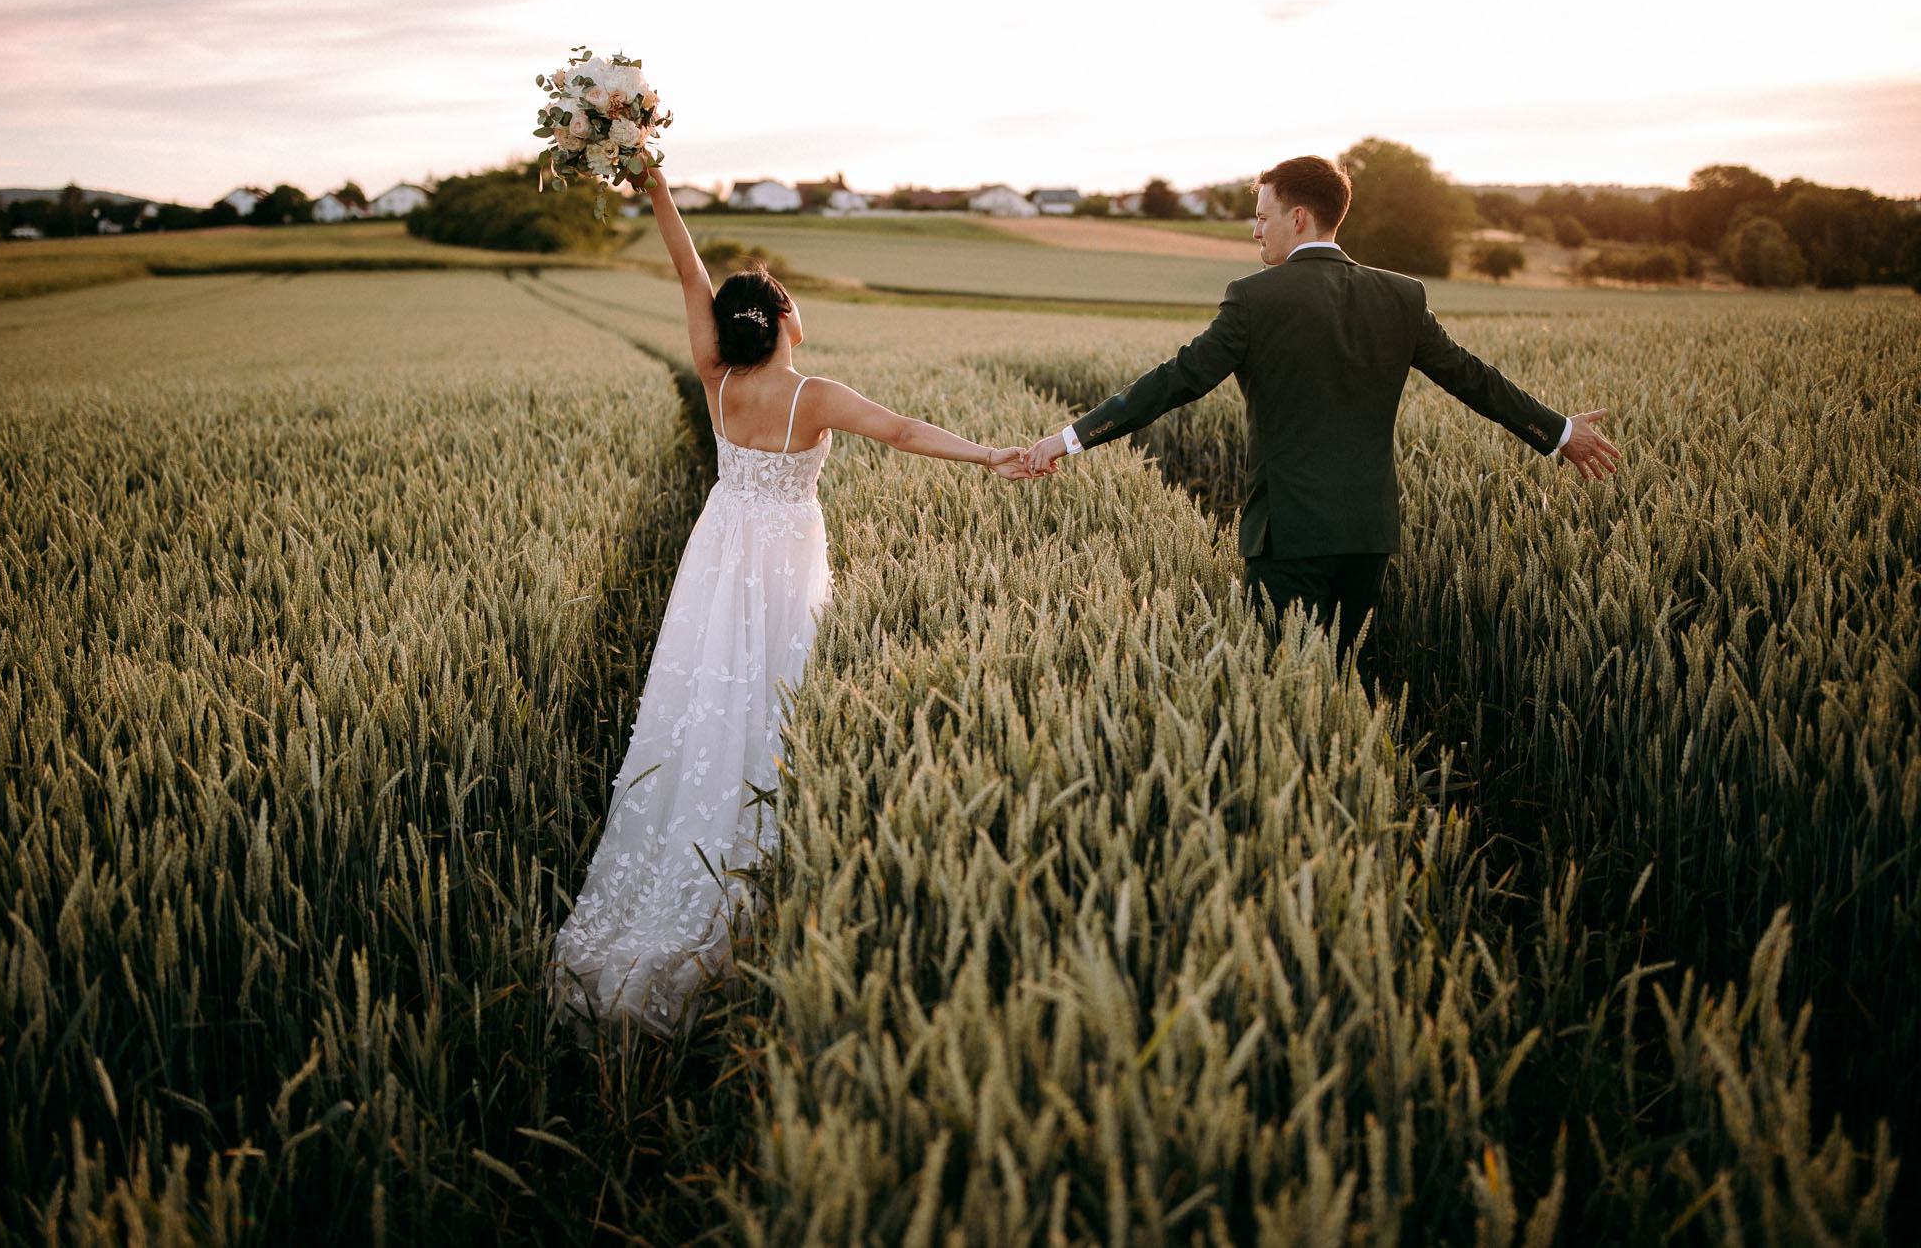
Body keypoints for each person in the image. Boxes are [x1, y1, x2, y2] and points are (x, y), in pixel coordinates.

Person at [551, 153, 1030, 1039]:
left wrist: (656, 188)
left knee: (707, 694)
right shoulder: (813, 393)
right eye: (789, 302)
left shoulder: (718, 379)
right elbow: (902, 430)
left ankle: (672, 866)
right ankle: (752, 867)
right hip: (781, 560)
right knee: (775, 696)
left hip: (719, 553)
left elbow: (689, 275)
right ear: (780, 320)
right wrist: (989, 454)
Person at [1024, 155, 1620, 653]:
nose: (1255, 231)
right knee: (1342, 684)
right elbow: (1474, 378)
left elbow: (1173, 381)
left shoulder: (1254, 299)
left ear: (1298, 216)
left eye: (1262, 217)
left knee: (1286, 695)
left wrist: (1069, 439)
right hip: (1368, 535)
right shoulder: (1401, 295)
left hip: (1288, 538)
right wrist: (1559, 432)